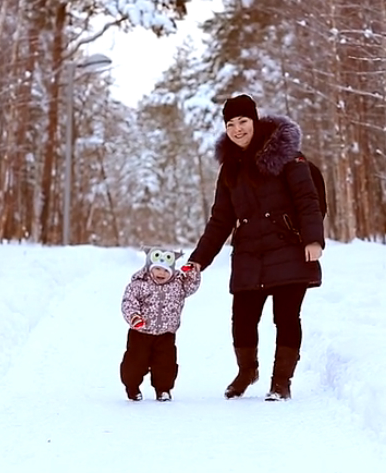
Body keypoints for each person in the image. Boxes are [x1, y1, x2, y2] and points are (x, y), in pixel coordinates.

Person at [187, 94, 324, 401]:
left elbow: (307, 200)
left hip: (289, 248)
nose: (237, 129)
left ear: (255, 120)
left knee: (286, 318)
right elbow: (220, 219)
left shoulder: (287, 156)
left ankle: (281, 382)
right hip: (249, 253)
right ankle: (247, 371)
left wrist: (313, 239)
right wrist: (199, 259)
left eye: (243, 122)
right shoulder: (230, 168)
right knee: (242, 318)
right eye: (231, 124)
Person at [120, 247, 201, 402]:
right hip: (140, 333)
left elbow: (191, 285)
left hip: (166, 334)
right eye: (157, 269)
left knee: (166, 365)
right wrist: (134, 317)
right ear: (149, 268)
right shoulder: (139, 284)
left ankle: (163, 389)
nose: (161, 273)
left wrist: (192, 271)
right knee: (135, 364)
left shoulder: (178, 284)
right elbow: (128, 302)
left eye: (165, 270)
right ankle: (132, 387)